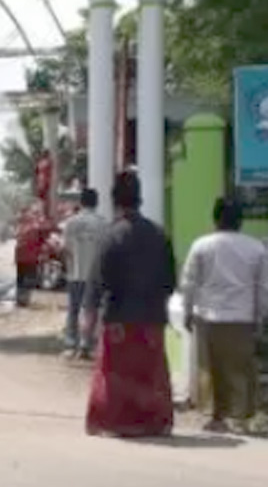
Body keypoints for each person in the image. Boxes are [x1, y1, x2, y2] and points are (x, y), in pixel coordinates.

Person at [83, 169, 177, 439]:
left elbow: (97, 282)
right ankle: (153, 423)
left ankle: (115, 422)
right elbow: (170, 282)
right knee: (151, 371)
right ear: (140, 199)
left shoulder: (109, 236)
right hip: (152, 317)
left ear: (115, 201)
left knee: (115, 373)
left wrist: (88, 321)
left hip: (119, 318)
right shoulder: (159, 235)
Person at [181, 197, 267, 433]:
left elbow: (189, 282)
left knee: (210, 368)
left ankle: (215, 416)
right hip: (242, 317)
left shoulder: (201, 245)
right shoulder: (255, 247)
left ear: (215, 218)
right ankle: (241, 418)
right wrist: (260, 317)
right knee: (240, 368)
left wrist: (187, 311)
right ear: (241, 220)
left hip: (207, 316)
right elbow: (261, 286)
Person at [60, 187, 107, 360]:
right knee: (93, 310)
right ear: (97, 202)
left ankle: (71, 344)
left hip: (76, 273)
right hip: (95, 276)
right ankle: (87, 344)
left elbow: (65, 249)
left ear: (81, 202)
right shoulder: (103, 223)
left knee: (73, 310)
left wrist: (70, 267)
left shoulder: (71, 223)